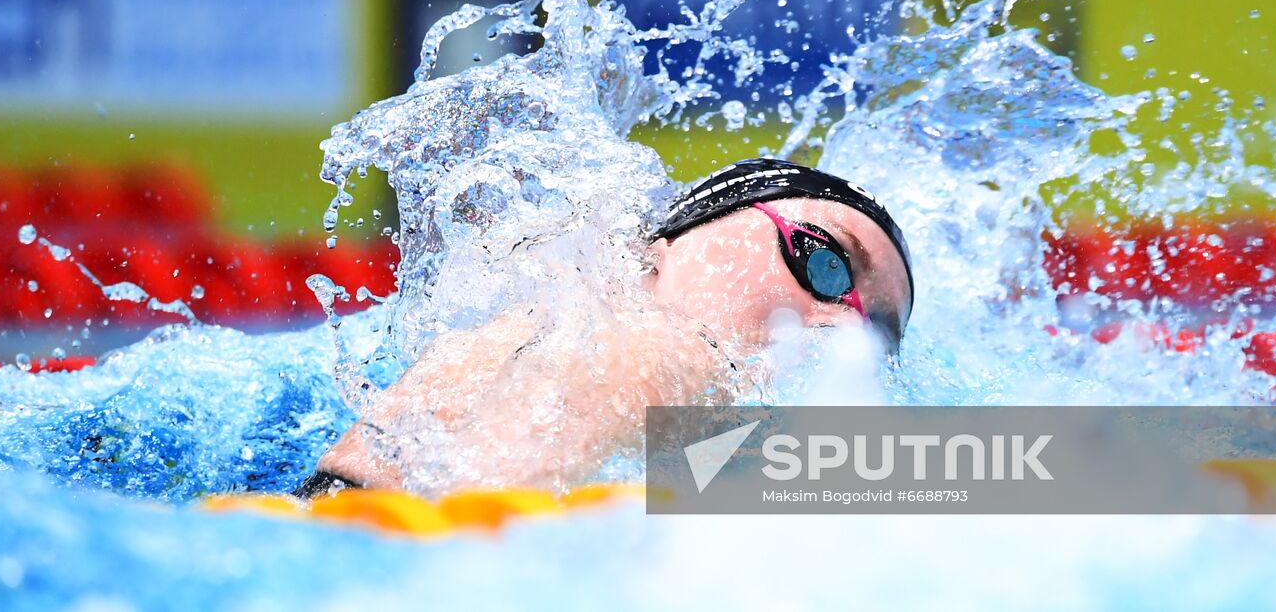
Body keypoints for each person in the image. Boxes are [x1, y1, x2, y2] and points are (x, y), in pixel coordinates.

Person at [294, 158, 914, 498]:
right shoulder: (663, 344)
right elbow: (481, 524)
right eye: (826, 263)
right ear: (660, 253)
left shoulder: (535, 333)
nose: (842, 326)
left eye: (876, 337)